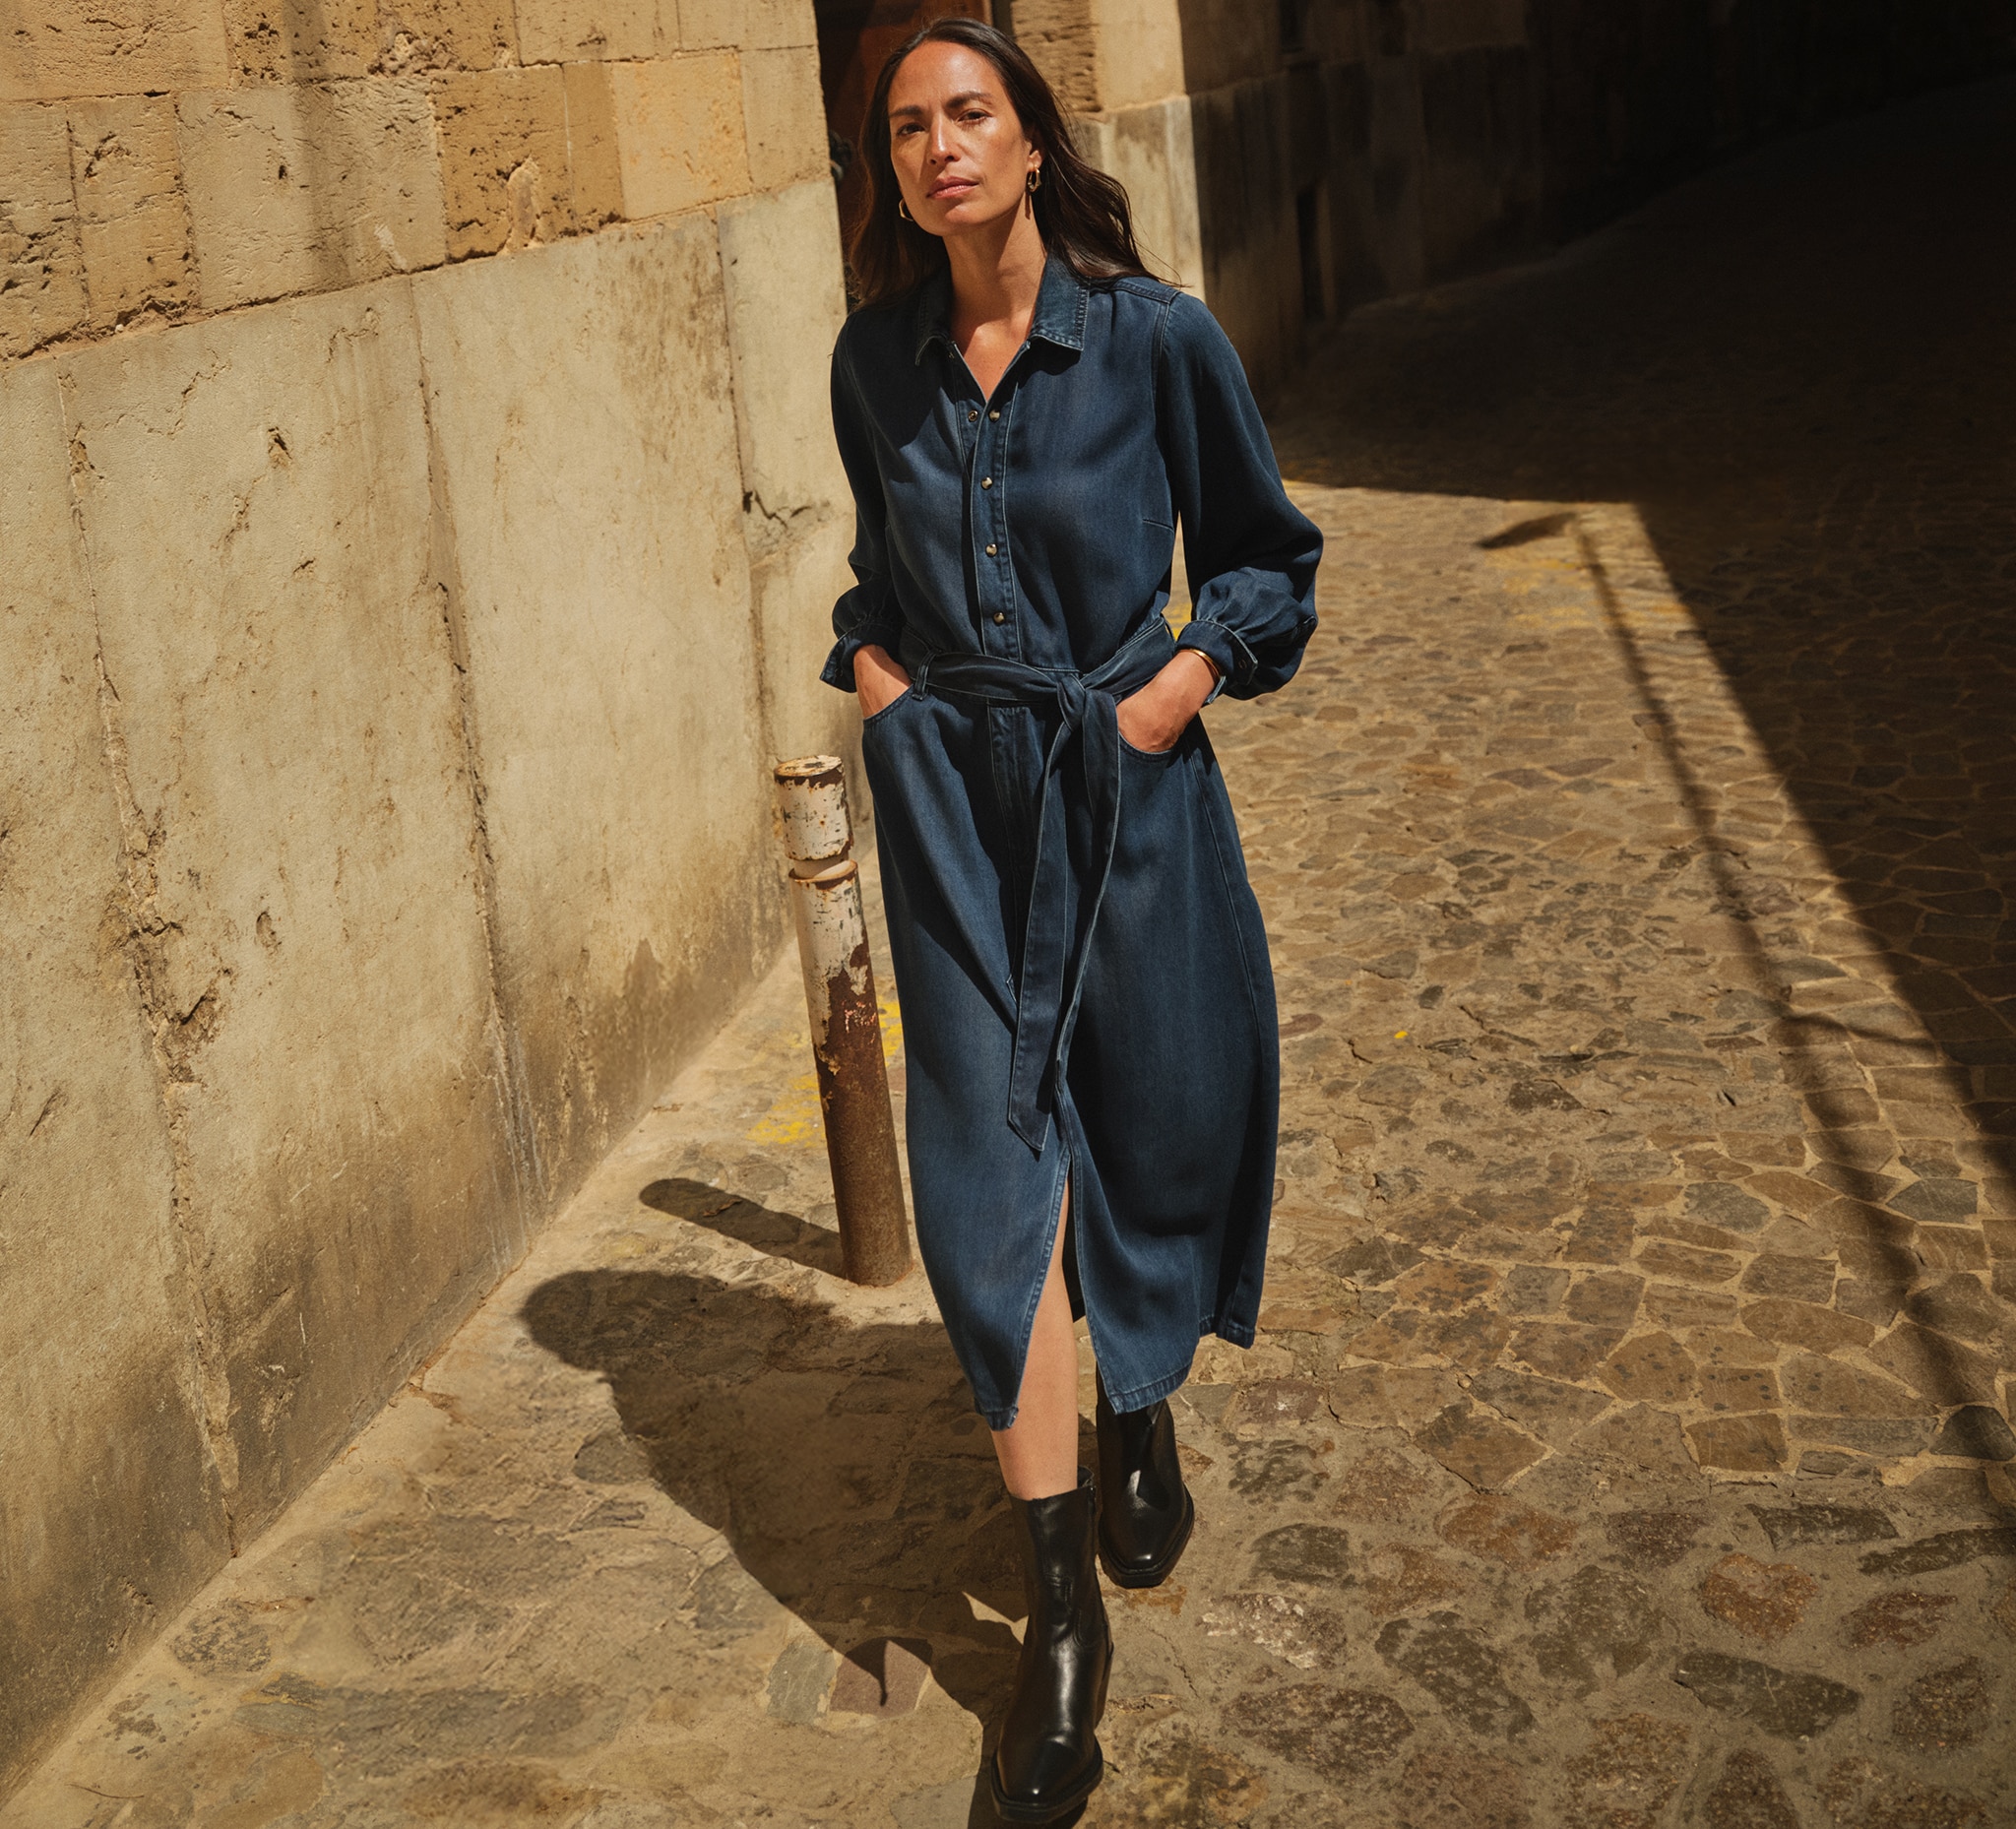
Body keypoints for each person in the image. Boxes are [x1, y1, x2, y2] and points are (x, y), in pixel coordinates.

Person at [823, 20, 1321, 1822]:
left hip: (1127, 790)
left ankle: (1140, 1399)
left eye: (970, 113)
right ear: (890, 171)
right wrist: (878, 677)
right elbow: (881, 574)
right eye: (907, 128)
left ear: (1033, 139)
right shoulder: (873, 363)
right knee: (986, 1186)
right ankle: (1057, 1622)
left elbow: (1266, 560)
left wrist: (1178, 687)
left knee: (1152, 1118)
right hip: (955, 815)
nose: (940, 147)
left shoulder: (1156, 337)